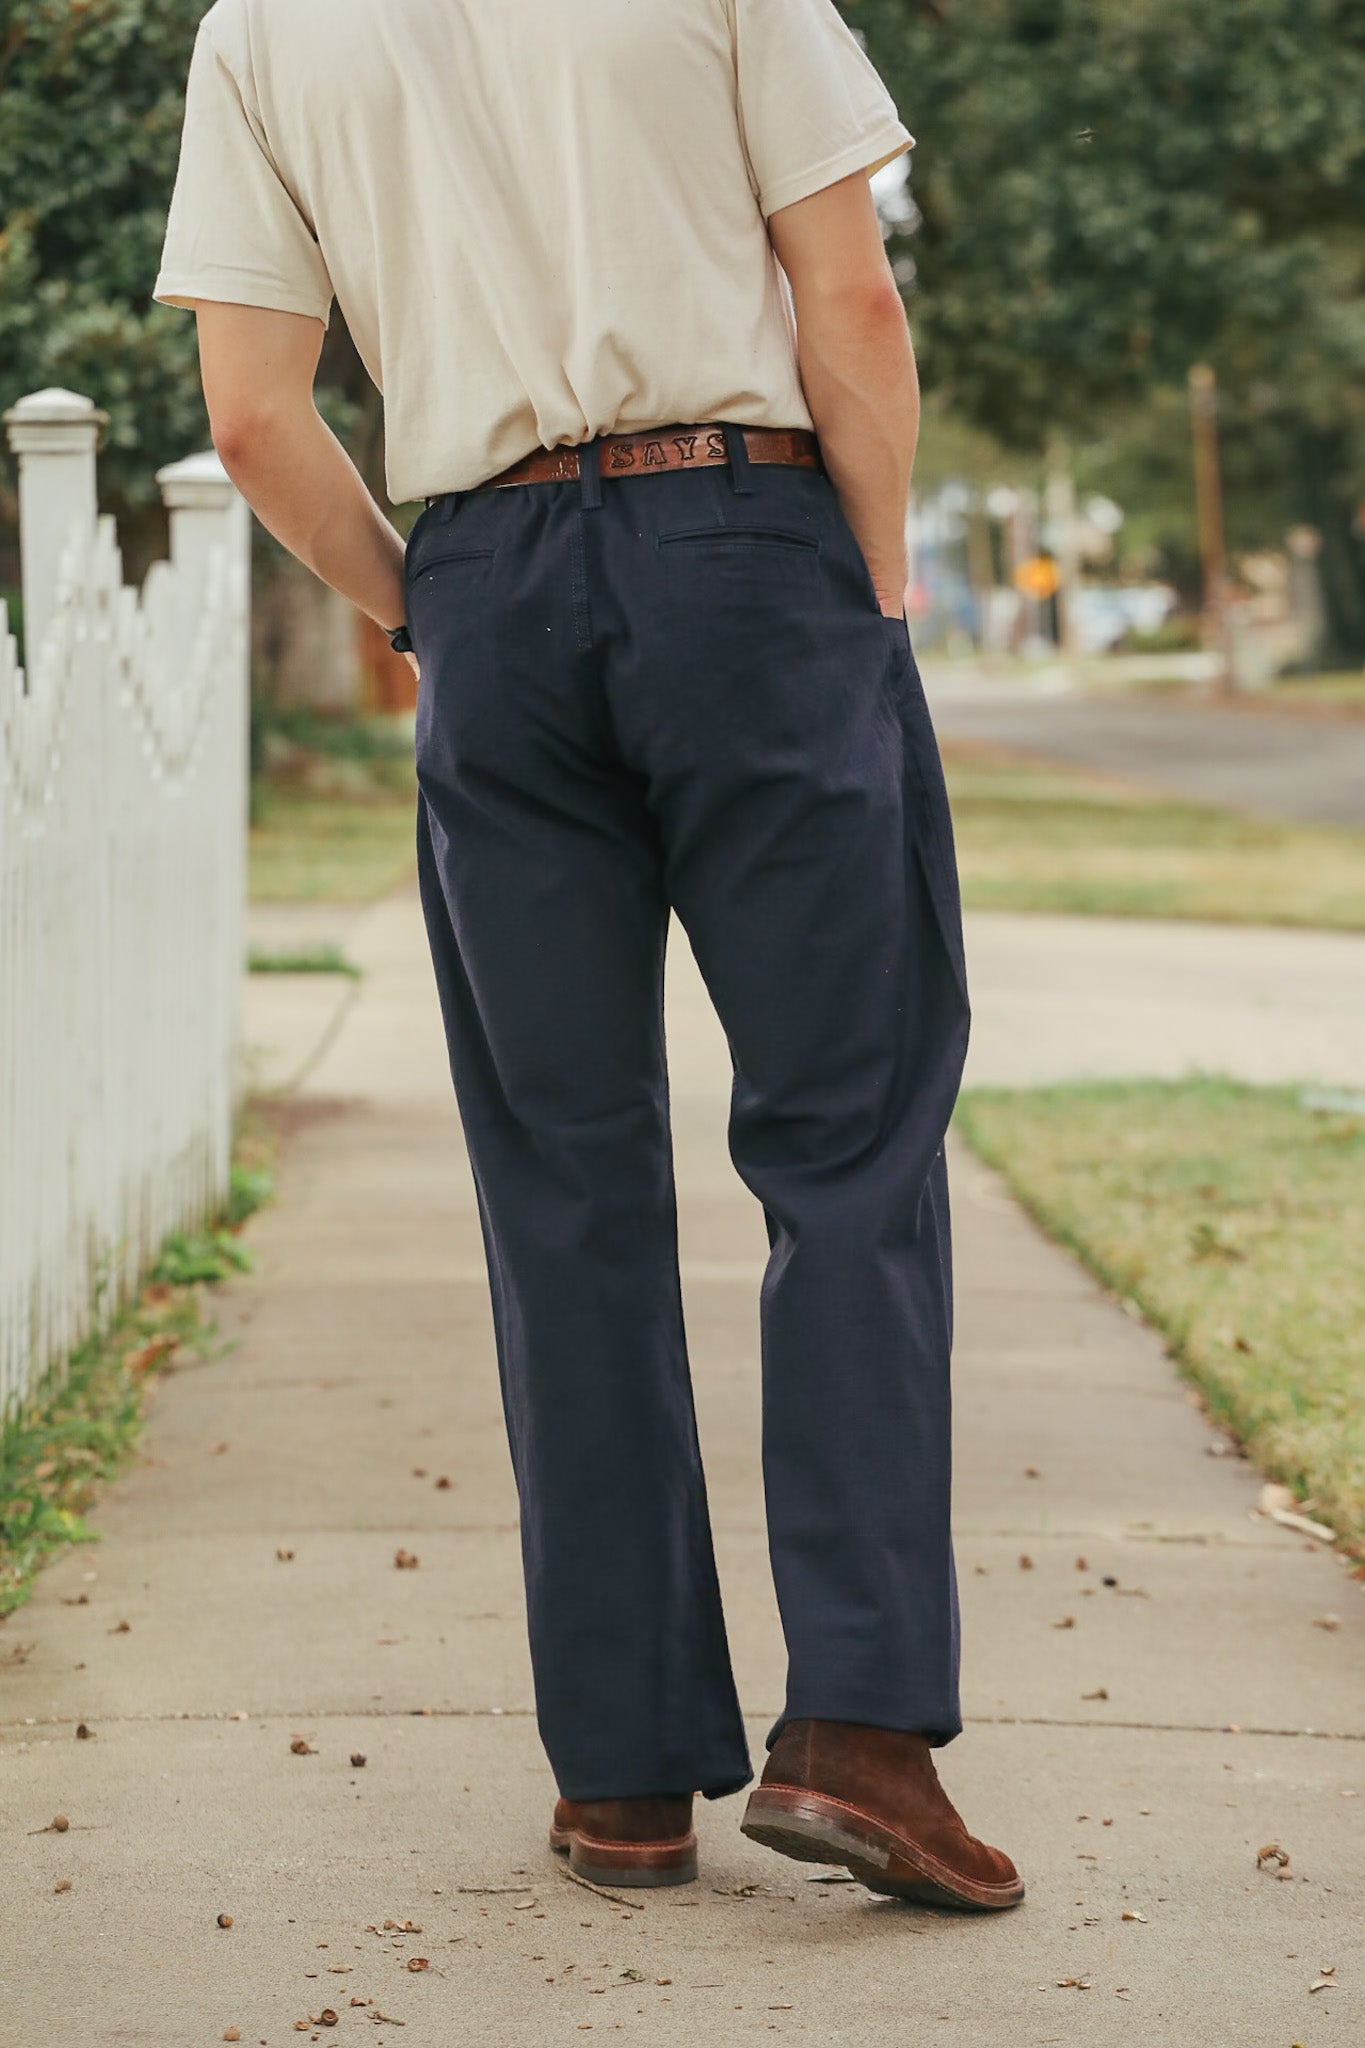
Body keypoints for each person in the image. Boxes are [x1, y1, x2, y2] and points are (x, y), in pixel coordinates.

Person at [156, 0, 1022, 1911]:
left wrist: (432, 612)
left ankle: (620, 1778)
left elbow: (247, 414)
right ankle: (862, 1734)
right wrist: (865, 602)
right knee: (847, 1143)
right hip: (749, 553)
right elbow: (849, 300)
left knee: (563, 1185)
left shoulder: (257, 31)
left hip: (483, 577)